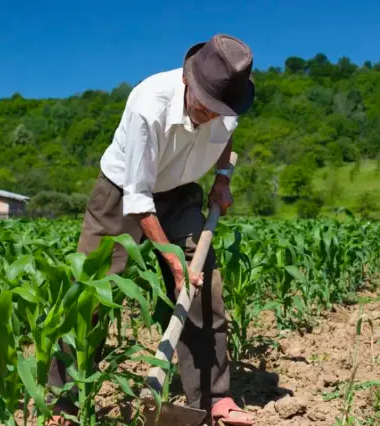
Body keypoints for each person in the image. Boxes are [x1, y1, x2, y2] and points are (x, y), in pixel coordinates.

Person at [46, 34, 256, 426]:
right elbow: (138, 199)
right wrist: (172, 261)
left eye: (218, 109)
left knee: (204, 288)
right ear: (187, 82)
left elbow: (226, 139)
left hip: (181, 193)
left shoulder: (229, 103)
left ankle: (214, 398)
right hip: (122, 193)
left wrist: (223, 178)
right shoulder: (148, 105)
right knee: (90, 294)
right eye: (204, 106)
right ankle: (63, 402)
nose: (210, 114)